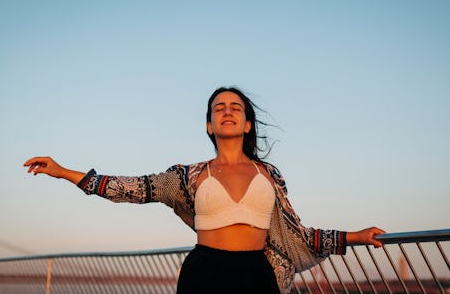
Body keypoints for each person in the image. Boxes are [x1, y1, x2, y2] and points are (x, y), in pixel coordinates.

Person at [24, 86, 385, 294]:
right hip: (205, 272)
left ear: (246, 124)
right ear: (210, 125)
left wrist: (358, 235)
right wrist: (63, 172)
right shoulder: (188, 176)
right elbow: (131, 188)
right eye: (218, 108)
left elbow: (296, 235)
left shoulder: (269, 174)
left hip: (256, 274)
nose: (227, 112)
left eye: (235, 108)